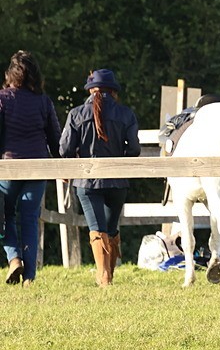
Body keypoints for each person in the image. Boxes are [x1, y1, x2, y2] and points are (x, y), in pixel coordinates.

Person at [60, 69, 140, 286]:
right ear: (113, 91)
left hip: (86, 182)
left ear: (90, 90)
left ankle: (104, 277)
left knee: (96, 228)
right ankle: (108, 274)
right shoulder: (126, 114)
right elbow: (134, 149)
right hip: (117, 181)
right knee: (111, 229)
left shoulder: (76, 114)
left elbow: (65, 149)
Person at [0, 51, 61, 285]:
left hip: (9, 167)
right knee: (30, 219)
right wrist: (63, 167)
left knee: (5, 216)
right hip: (38, 167)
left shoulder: (3, 99)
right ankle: (29, 277)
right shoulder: (43, 101)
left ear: (10, 74)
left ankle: (14, 258)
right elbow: (55, 140)